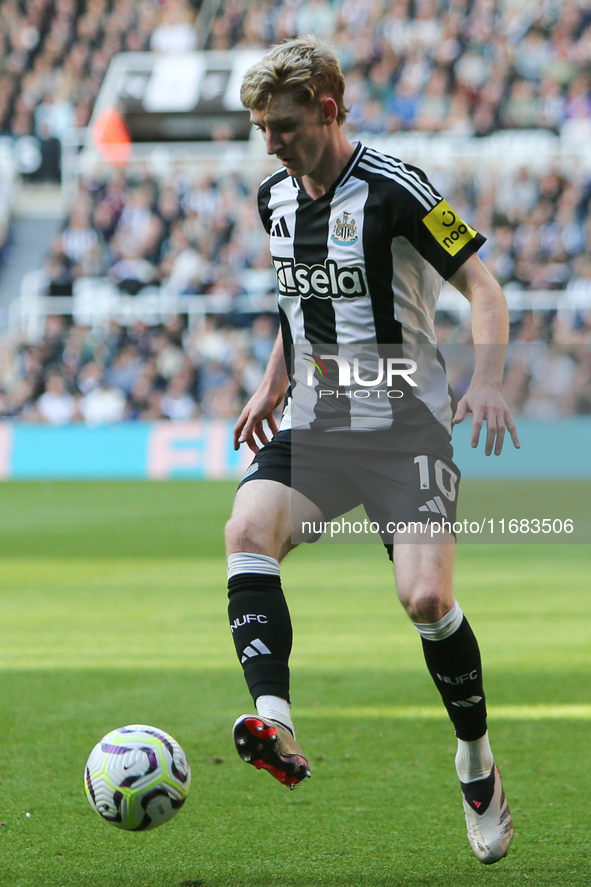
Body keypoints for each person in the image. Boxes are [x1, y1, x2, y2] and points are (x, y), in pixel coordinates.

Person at [225, 36, 519, 865]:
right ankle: (273, 717)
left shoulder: (394, 188)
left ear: (326, 108)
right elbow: (299, 300)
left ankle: (475, 762)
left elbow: (482, 287)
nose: (270, 143)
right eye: (259, 129)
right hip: (318, 426)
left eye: (281, 126)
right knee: (247, 531)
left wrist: (487, 379)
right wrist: (272, 380)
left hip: (402, 431)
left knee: (425, 600)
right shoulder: (272, 197)